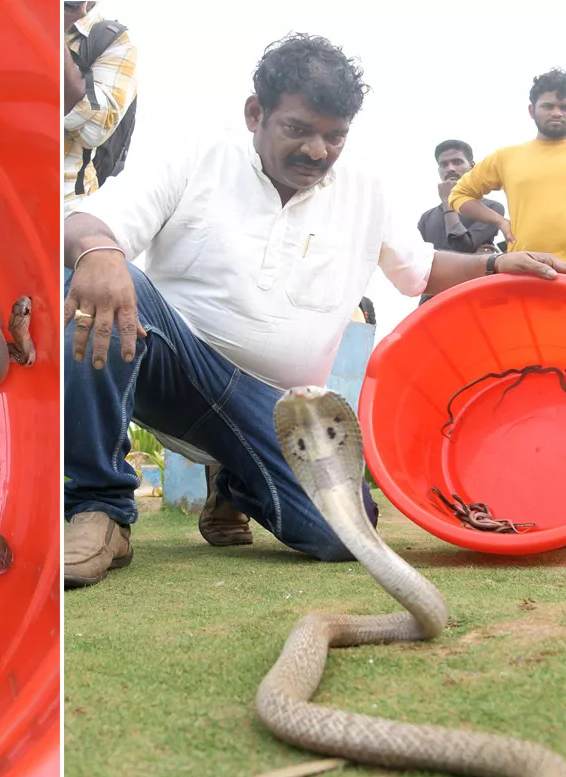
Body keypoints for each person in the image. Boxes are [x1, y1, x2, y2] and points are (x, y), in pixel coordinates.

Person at [62, 33, 566, 589]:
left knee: (344, 536)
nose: (317, 152)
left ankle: (234, 483)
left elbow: (418, 270)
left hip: (275, 410)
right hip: (171, 365)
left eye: (335, 136)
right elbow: (86, 223)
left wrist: (497, 267)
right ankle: (98, 508)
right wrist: (97, 250)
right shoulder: (197, 153)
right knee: (96, 273)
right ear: (256, 113)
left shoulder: (365, 188)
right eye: (297, 130)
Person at [448, 69, 566, 261]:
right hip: (528, 270)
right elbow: (459, 194)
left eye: (564, 107)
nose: (557, 113)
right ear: (532, 110)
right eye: (548, 106)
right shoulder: (506, 157)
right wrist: (499, 221)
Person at [63, 1, 138, 214]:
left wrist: (53, 31)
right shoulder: (11, 17)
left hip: (62, 204)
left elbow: (95, 129)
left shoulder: (114, 41)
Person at [416, 140, 505, 304]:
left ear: (472, 166)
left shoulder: (491, 208)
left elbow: (461, 246)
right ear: (439, 171)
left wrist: (448, 202)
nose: (450, 168)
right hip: (434, 301)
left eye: (457, 162)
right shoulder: (426, 219)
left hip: (475, 295)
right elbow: (420, 263)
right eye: (444, 164)